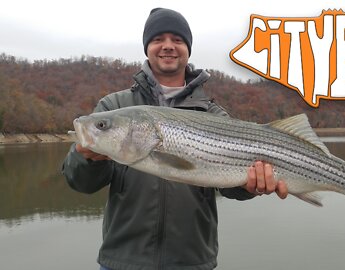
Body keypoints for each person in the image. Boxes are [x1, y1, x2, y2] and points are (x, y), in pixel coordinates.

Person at [62, 7, 288, 270]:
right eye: (158, 39)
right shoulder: (114, 106)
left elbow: (230, 186)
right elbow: (80, 183)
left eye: (177, 40)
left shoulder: (213, 113)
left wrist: (251, 187)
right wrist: (86, 158)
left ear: (187, 49)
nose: (167, 46)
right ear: (147, 47)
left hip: (191, 261)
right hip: (123, 261)